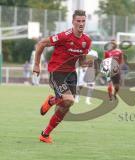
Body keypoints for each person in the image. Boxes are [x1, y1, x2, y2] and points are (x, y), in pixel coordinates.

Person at [33, 10, 92, 143]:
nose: (81, 23)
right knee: (69, 99)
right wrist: (37, 64)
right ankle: (53, 101)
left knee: (65, 106)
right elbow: (42, 43)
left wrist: (88, 62)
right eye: (78, 21)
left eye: (83, 21)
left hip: (71, 74)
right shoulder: (64, 36)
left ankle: (45, 134)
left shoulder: (87, 41)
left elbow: (82, 61)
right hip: (57, 72)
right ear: (73, 22)